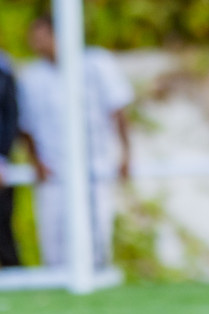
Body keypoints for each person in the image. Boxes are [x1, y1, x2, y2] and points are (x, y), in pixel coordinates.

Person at [17, 15, 133, 269]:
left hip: (95, 166)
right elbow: (26, 127)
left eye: (41, 36)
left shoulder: (96, 63)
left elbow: (118, 111)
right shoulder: (32, 77)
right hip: (53, 171)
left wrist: (125, 154)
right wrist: (35, 160)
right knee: (54, 242)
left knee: (96, 236)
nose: (35, 43)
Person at [0, 49, 21, 267]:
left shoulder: (3, 69)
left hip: (2, 161)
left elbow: (10, 113)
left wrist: (2, 157)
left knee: (3, 223)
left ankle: (12, 268)